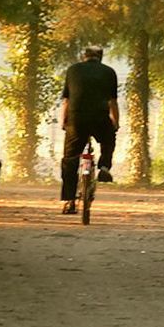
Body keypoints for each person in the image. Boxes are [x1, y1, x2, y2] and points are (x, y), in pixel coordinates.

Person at [59, 45, 119, 215]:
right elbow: (112, 102)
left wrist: (65, 121)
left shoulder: (72, 70)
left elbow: (66, 101)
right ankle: (105, 167)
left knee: (70, 159)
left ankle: (69, 200)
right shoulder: (109, 72)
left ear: (83, 56)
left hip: (76, 119)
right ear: (101, 57)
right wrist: (115, 123)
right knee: (108, 139)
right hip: (99, 118)